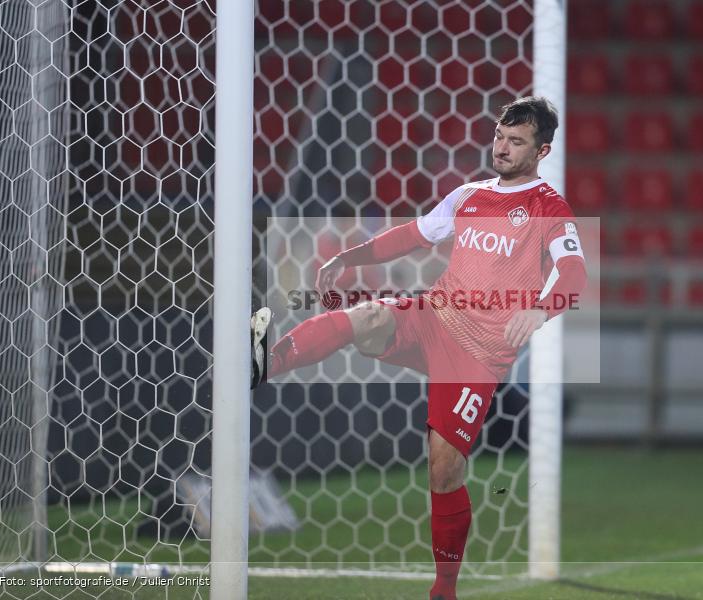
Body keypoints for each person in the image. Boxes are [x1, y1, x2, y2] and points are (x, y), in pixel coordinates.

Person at [250, 96, 586, 600]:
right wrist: (350, 255)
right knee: (367, 316)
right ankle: (263, 365)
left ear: (542, 151)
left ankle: (444, 589)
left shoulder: (548, 208)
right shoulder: (468, 195)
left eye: (516, 141)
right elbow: (413, 235)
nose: (502, 147)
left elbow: (575, 275)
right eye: (499, 135)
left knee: (444, 466)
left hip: (477, 355)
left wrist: (540, 308)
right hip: (433, 316)